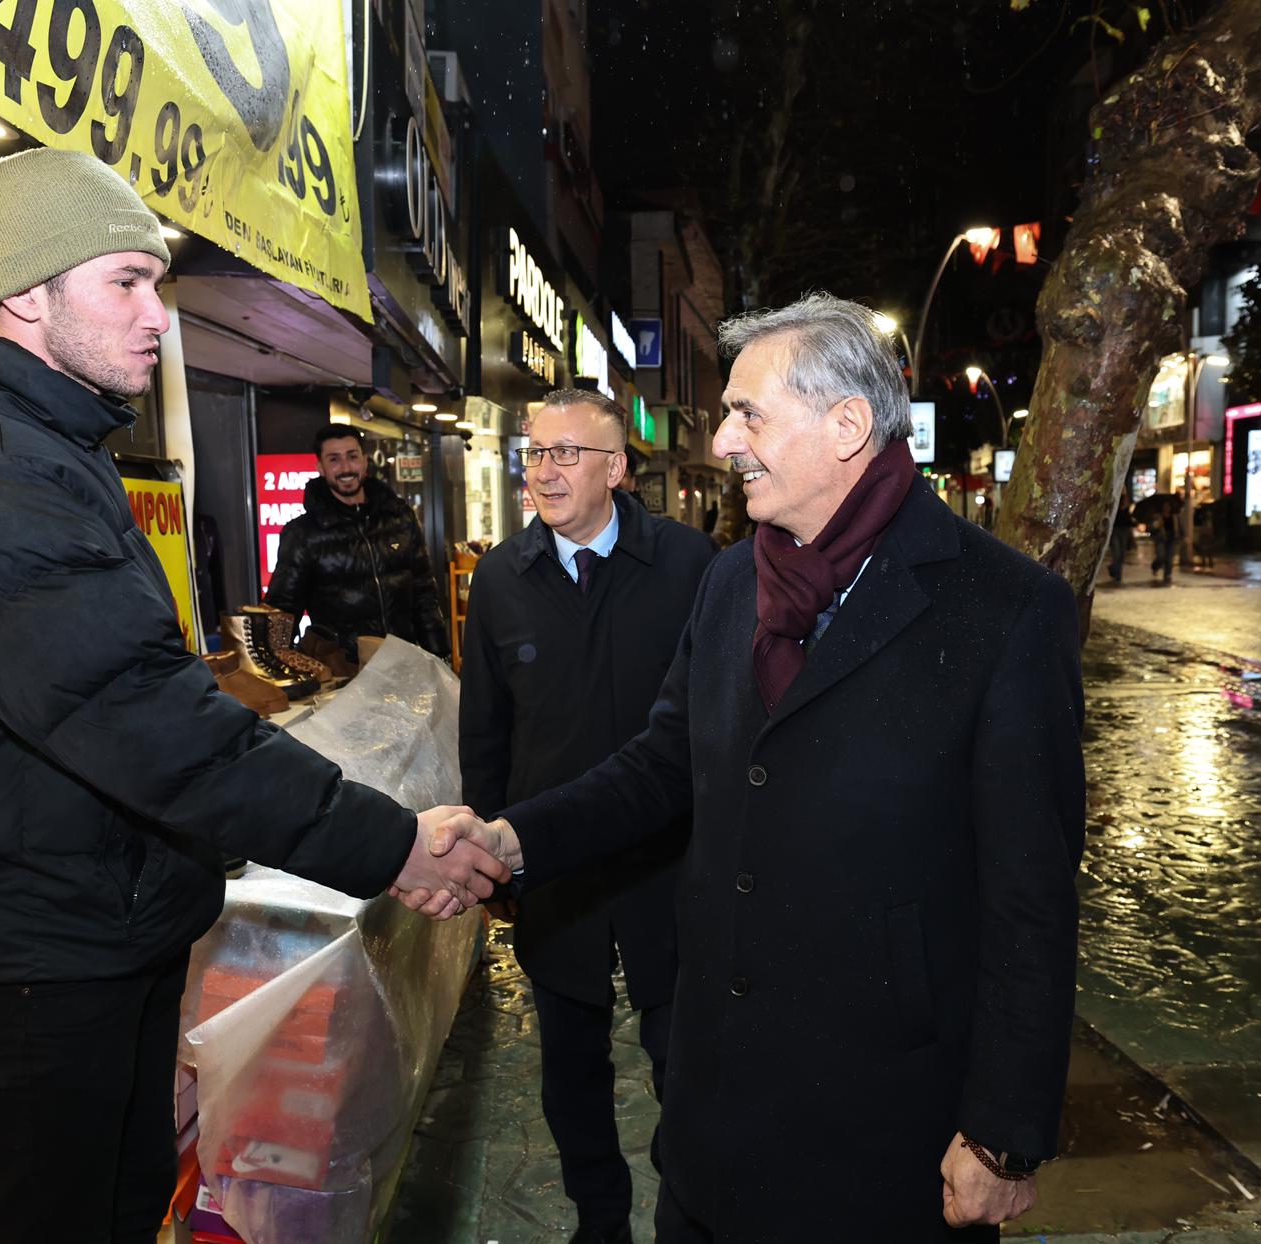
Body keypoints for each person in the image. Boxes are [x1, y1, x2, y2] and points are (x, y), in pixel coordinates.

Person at [0, 148, 505, 1244]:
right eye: (124, 283)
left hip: (80, 923)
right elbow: (147, 722)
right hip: (38, 952)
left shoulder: (50, 440)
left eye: (160, 283)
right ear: (23, 297)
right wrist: (390, 845)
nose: (159, 316)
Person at [406, 293, 1086, 1241]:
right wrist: (513, 839)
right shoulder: (734, 581)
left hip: (882, 1130)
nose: (722, 441)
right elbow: (660, 765)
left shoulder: (1005, 610)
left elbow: (1034, 898)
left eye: (746, 413)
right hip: (714, 1108)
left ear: (847, 425)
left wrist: (1006, 1136)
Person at [460, 389, 714, 1244]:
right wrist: (495, 858)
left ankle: (693, 1211)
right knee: (570, 1062)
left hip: (671, 859)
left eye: (568, 453)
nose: (546, 471)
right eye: (536, 453)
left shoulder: (691, 565)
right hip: (554, 862)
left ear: (616, 468)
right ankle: (600, 1221)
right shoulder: (500, 579)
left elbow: (724, 721)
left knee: (688, 1060)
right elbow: (485, 734)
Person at [265, 424, 450, 663]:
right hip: (344, 671)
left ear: (364, 461)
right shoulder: (302, 533)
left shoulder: (399, 517)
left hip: (404, 663)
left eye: (352, 457)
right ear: (320, 467)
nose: (345, 467)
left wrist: (441, 656)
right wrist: (276, 670)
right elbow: (283, 611)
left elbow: (424, 593)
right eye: (334, 459)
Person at [1136, 487, 1179, 584]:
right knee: (1160, 556)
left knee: (1169, 558)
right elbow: (1151, 527)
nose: (1167, 508)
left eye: (1168, 506)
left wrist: (1183, 536)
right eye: (1165, 506)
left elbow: (1179, 527)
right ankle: (1155, 566)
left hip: (1171, 538)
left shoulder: (1175, 516)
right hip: (1161, 538)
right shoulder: (1157, 516)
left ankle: (1167, 575)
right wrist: (1157, 525)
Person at [1106, 491, 1135, 582]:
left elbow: (1129, 521)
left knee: (1121, 554)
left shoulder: (1127, 510)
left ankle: (1118, 574)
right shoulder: (1116, 508)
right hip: (1115, 531)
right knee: (1117, 553)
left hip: (1124, 532)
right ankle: (1114, 569)